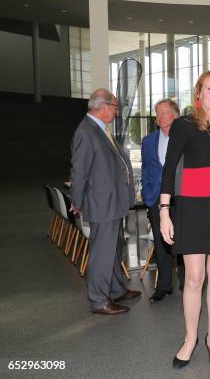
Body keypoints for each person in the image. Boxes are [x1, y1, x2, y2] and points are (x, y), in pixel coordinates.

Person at [159, 71, 210, 369]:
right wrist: (165, 210)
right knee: (194, 278)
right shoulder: (184, 124)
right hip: (192, 207)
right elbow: (169, 168)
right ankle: (190, 338)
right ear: (199, 93)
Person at [69, 89, 140, 315]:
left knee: (113, 249)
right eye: (115, 107)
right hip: (102, 204)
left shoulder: (100, 129)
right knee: (102, 253)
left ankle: (116, 288)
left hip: (112, 202)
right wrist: (77, 202)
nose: (117, 112)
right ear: (104, 105)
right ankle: (99, 300)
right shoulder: (86, 131)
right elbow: (79, 172)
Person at [141, 98, 185, 302]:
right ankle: (164, 286)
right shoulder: (148, 141)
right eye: (157, 113)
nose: (159, 117)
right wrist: (148, 195)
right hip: (156, 199)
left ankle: (188, 283)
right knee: (161, 243)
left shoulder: (185, 138)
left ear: (175, 115)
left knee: (184, 242)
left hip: (182, 197)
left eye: (164, 112)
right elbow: (147, 170)